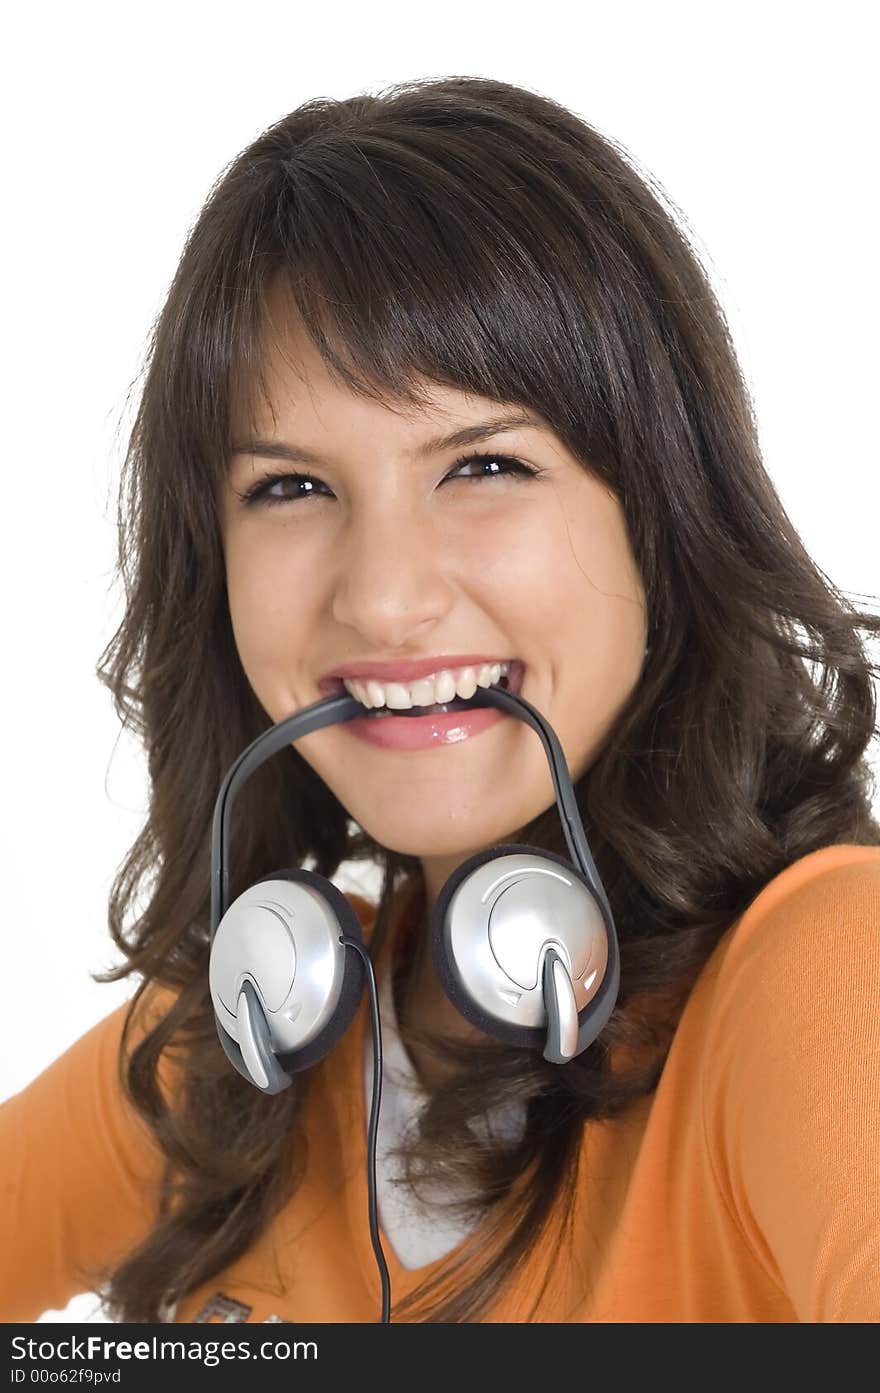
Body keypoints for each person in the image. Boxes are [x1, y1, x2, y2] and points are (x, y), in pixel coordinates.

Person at [3, 74, 879, 1326]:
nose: (387, 600)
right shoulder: (239, 1036)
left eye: (482, 464)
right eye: (291, 488)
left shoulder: (828, 972)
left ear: (662, 518)